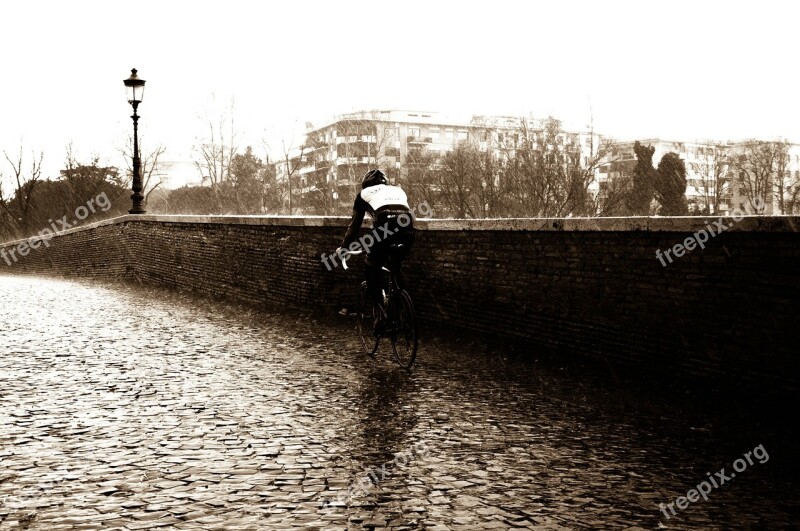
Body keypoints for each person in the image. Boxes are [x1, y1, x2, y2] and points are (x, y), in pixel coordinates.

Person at [336, 169, 414, 334]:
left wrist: (344, 248)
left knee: (371, 264)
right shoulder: (398, 190)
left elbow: (354, 226)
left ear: (366, 184)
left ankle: (380, 315)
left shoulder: (364, 194)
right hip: (407, 229)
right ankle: (405, 308)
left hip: (385, 229)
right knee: (395, 265)